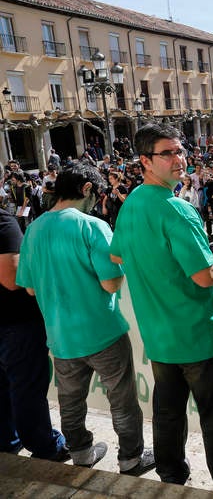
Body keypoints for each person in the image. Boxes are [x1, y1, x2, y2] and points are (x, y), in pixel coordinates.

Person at [109, 124, 213, 497]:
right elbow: (204, 275)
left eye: (181, 151)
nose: (180, 159)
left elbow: (116, 254)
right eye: (168, 153)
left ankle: (171, 475)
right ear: (145, 161)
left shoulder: (131, 202)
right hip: (197, 335)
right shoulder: (177, 210)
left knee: (167, 411)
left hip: (158, 336)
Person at [16, 163, 154, 475]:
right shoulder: (92, 226)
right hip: (102, 331)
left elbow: (28, 288)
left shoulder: (34, 228)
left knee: (71, 402)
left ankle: (80, 453)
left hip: (60, 335)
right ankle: (131, 458)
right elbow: (111, 282)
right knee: (122, 400)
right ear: (87, 189)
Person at [0, 207, 69, 463]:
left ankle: (7, 440)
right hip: (16, 323)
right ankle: (45, 445)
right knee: (26, 387)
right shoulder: (3, 220)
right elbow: (12, 277)